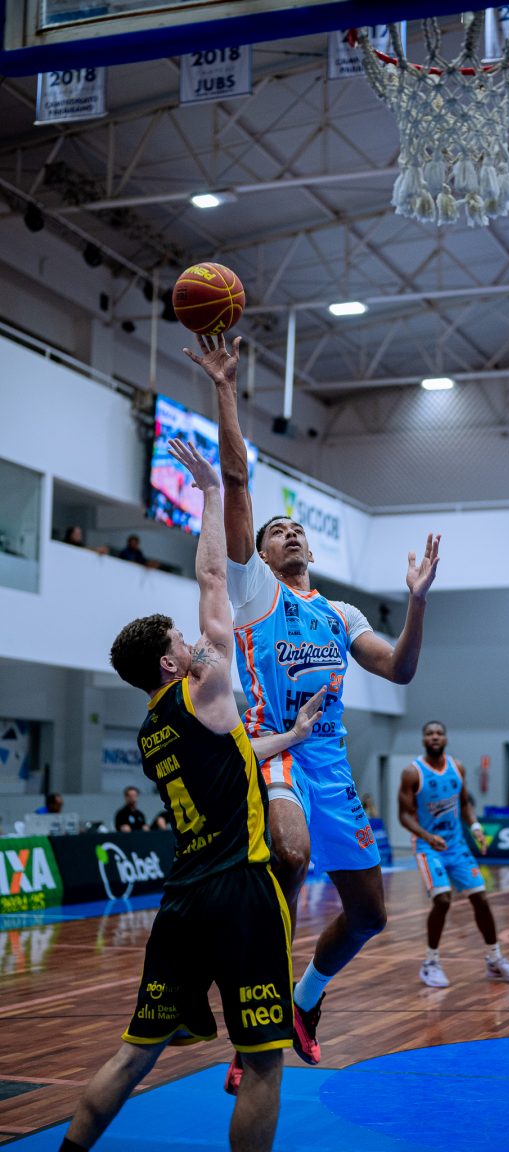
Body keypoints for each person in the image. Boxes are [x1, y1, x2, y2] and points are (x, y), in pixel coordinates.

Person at [59, 437, 325, 1152]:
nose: (193, 641)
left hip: (181, 900)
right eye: (182, 639)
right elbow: (213, 576)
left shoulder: (155, 730)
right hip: (241, 890)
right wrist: (211, 492)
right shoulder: (203, 686)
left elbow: (233, 754)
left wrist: (292, 735)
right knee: (263, 1064)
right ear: (170, 662)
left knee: (133, 1056)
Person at [184, 332, 440, 1073]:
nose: (289, 532)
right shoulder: (253, 591)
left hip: (329, 760)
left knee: (369, 915)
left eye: (296, 528)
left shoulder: (340, 614)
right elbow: (237, 480)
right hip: (274, 752)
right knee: (289, 853)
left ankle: (302, 1000)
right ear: (260, 555)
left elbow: (399, 670)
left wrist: (417, 601)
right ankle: (256, 1020)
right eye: (276, 531)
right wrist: (226, 387)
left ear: (311, 551)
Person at [398, 720, 509, 988]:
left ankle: (495, 960)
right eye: (429, 733)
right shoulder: (412, 772)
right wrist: (426, 836)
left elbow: (465, 804)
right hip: (428, 847)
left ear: (445, 738)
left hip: (456, 845)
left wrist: (476, 827)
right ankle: (430, 963)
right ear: (423, 739)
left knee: (480, 898)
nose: (435, 737)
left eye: (439, 733)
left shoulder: (458, 767)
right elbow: (404, 816)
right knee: (442, 899)